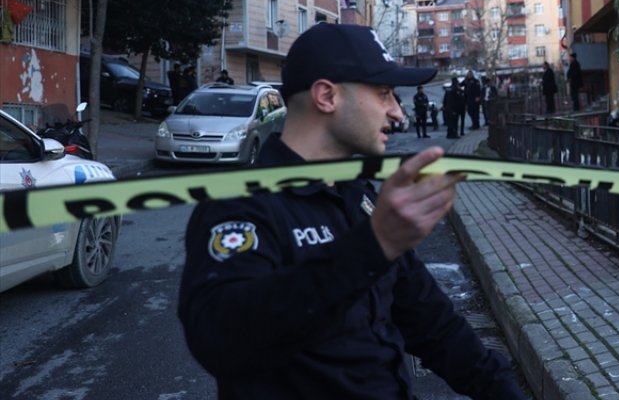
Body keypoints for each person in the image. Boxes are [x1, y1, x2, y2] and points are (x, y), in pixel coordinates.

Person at [177, 23, 523, 399]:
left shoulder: (357, 196)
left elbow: (431, 322)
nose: (397, 113)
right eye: (384, 94)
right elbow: (222, 339)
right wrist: (372, 245)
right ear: (326, 96)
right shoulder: (240, 203)